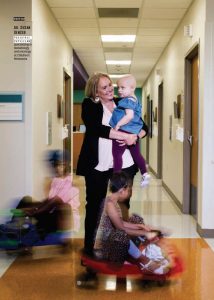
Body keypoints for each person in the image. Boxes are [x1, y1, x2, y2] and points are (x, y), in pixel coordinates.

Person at [76, 72, 148, 257]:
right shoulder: (89, 105)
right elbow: (96, 128)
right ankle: (89, 249)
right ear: (95, 91)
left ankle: (122, 248)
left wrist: (135, 137)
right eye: (104, 87)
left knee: (123, 205)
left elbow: (144, 127)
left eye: (110, 85)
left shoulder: (123, 101)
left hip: (123, 164)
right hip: (98, 164)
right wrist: (125, 135)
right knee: (94, 205)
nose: (110, 89)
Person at [94, 171, 170, 275]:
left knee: (135, 219)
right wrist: (145, 233)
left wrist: (141, 226)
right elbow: (121, 228)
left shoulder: (112, 201)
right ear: (122, 190)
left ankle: (147, 253)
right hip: (107, 248)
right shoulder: (110, 204)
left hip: (113, 240)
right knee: (121, 235)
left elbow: (121, 222)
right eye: (128, 189)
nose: (129, 192)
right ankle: (145, 261)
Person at [20, 150, 80, 236]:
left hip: (66, 220)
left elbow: (56, 200)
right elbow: (49, 202)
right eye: (56, 165)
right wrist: (35, 207)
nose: (58, 168)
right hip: (52, 214)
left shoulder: (72, 182)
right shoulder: (54, 181)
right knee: (26, 200)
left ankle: (32, 225)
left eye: (61, 165)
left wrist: (35, 211)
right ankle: (13, 228)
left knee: (60, 205)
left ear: (67, 165)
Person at [109, 74, 150, 187]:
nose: (119, 90)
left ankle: (116, 178)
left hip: (124, 131)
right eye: (118, 87)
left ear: (132, 88)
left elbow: (129, 116)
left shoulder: (126, 101)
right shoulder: (134, 100)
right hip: (132, 132)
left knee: (117, 155)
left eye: (123, 87)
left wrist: (118, 125)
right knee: (137, 155)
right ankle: (145, 173)